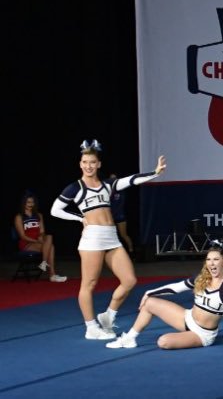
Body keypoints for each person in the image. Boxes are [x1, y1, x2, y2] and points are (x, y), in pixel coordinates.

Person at [52, 140, 164, 340]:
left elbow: (131, 180)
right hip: (92, 238)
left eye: (92, 162)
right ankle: (91, 328)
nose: (89, 166)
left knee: (129, 280)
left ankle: (108, 316)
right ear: (80, 164)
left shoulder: (108, 185)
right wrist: (79, 218)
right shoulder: (74, 188)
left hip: (111, 237)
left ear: (99, 164)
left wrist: (155, 172)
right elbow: (55, 210)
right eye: (85, 162)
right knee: (89, 283)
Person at [105, 242, 223, 349]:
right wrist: (149, 292)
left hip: (202, 334)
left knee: (163, 342)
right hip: (186, 318)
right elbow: (175, 288)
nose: (212, 263)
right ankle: (130, 338)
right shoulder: (201, 278)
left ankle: (186, 338)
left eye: (216, 259)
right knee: (150, 303)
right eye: (209, 259)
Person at [16, 193, 65, 282]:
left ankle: (44, 264)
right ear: (24, 203)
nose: (31, 204)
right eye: (28, 202)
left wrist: (40, 236)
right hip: (27, 243)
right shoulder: (19, 217)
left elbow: (42, 231)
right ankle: (52, 275)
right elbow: (22, 236)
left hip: (39, 241)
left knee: (49, 237)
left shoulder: (39, 215)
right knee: (51, 247)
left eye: (32, 202)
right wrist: (36, 241)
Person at [107, 173, 133, 253]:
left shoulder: (121, 190)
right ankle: (114, 252)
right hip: (110, 216)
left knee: (123, 235)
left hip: (120, 216)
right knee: (112, 236)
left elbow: (121, 203)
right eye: (111, 179)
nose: (113, 180)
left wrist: (116, 212)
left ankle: (131, 250)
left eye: (114, 178)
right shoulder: (107, 191)